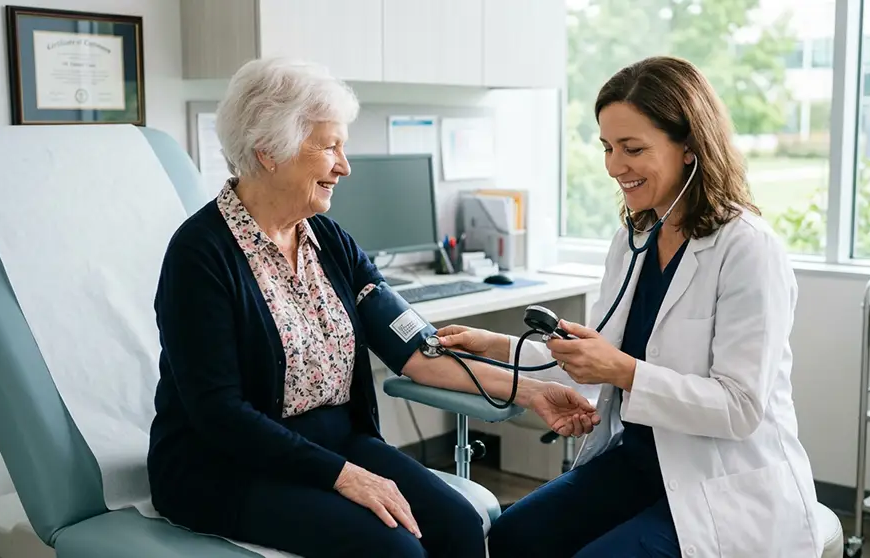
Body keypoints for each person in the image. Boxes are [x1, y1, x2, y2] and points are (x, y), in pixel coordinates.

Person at [147, 57, 601, 558]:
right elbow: (220, 415)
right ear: (269, 152)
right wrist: (343, 476)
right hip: (226, 465)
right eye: (330, 147)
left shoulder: (329, 242)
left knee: (459, 525)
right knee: (396, 551)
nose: (344, 166)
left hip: (335, 442)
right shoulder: (200, 255)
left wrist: (532, 390)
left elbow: (416, 351)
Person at [437, 56, 823, 557]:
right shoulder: (634, 237)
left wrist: (623, 371)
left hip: (720, 482)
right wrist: (496, 345)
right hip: (640, 465)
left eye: (633, 148)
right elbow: (592, 359)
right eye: (607, 147)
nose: (614, 166)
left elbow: (740, 408)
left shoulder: (747, 248)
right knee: (513, 537)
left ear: (690, 147)